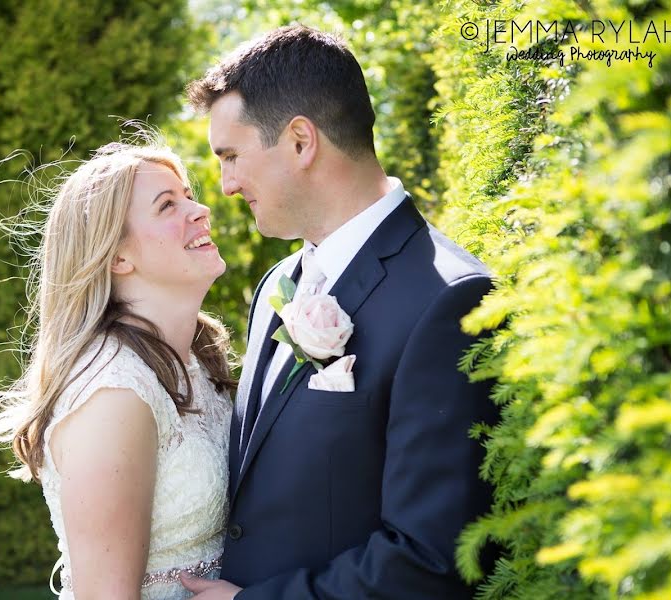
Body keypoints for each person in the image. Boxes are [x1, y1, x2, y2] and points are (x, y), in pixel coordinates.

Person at [180, 25, 499, 599]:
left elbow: (430, 559)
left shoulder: (449, 299)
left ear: (301, 142)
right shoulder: (280, 283)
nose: (226, 186)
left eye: (231, 157)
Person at [0, 138, 237, 599]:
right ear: (118, 256)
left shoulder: (197, 359)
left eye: (187, 195)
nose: (199, 209)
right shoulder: (113, 394)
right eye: (167, 205)